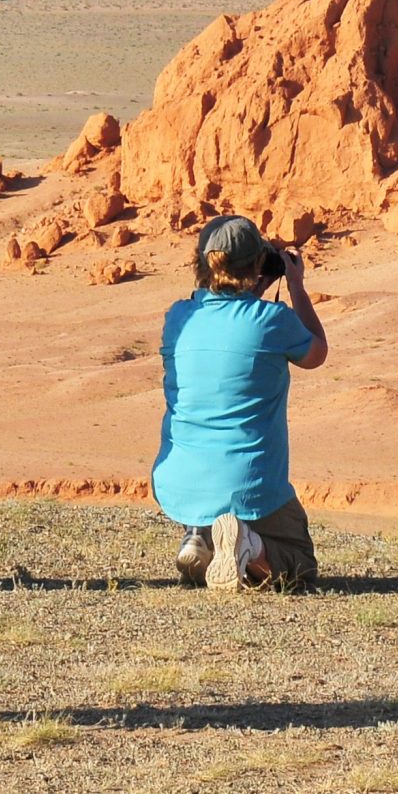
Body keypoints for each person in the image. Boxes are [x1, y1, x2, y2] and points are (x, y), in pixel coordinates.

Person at [151, 214, 328, 592]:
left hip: (180, 482)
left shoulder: (178, 316)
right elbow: (317, 352)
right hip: (249, 484)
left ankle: (201, 532)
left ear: (201, 263)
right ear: (258, 264)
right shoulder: (273, 320)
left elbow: (229, 326)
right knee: (299, 563)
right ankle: (249, 543)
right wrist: (295, 285)